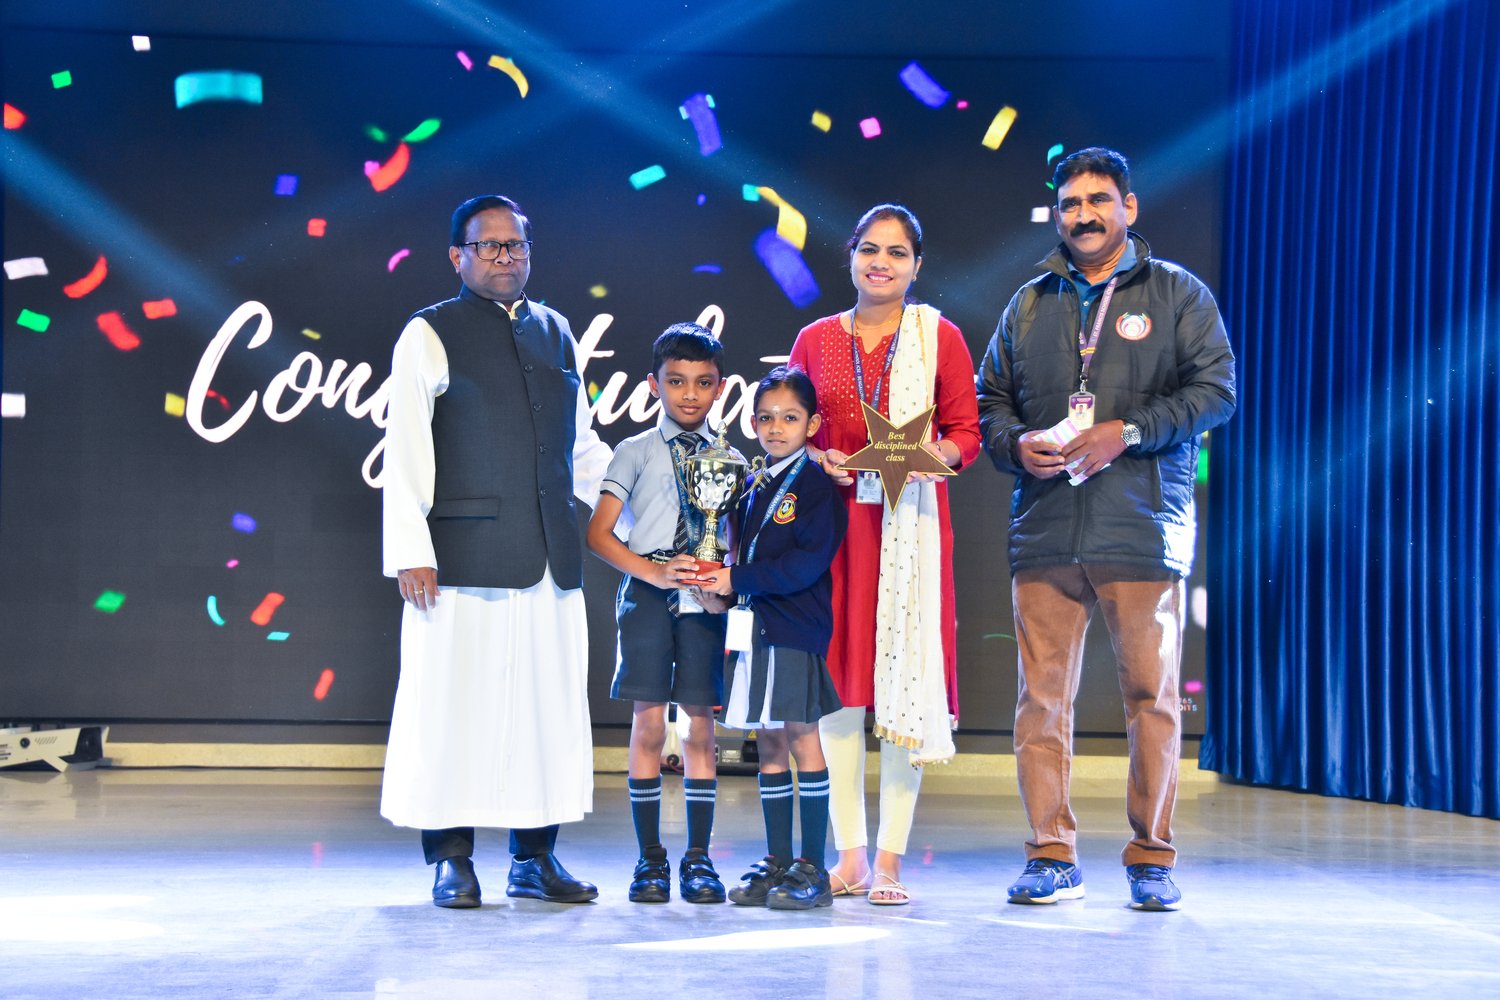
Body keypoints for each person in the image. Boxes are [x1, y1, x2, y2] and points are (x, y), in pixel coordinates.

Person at [977, 147, 1236, 911]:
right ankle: (1051, 854)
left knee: (1152, 696)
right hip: (1046, 527)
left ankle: (1152, 857)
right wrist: (1015, 444)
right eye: (1070, 204)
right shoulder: (1029, 303)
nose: (1083, 215)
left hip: (1142, 528)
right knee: (1040, 702)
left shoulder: (1177, 292)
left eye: (1098, 200)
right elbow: (991, 403)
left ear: (1129, 207)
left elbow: (1217, 391)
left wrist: (1128, 431)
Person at [381, 194, 613, 908]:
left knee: (544, 714)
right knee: (451, 711)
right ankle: (451, 860)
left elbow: (581, 447)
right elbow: (405, 448)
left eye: (516, 245)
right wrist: (410, 550)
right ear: (458, 256)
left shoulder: (557, 331)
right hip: (459, 560)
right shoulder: (428, 332)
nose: (505, 256)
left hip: (548, 558)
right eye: (489, 245)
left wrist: (643, 511)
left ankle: (534, 859)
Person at [788, 205, 982, 905]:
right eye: (870, 249)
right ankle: (851, 858)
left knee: (904, 688)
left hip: (910, 532)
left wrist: (929, 456)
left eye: (897, 253)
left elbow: (968, 431)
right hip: (833, 536)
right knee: (839, 694)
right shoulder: (814, 339)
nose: (881, 263)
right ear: (850, 256)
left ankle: (892, 860)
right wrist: (817, 455)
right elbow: (790, 427)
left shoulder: (939, 337)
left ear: (917, 265)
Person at [584, 324, 730, 905]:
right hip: (647, 597)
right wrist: (653, 572)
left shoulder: (731, 460)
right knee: (648, 725)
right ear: (654, 385)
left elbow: (736, 542)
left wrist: (722, 588)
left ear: (720, 387)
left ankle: (698, 858)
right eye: (676, 382)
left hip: (704, 603)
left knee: (700, 728)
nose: (689, 394)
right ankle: (649, 858)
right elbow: (599, 534)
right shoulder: (635, 451)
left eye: (702, 382)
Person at [697, 366, 849, 910]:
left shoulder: (816, 487)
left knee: (803, 737)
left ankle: (814, 869)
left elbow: (805, 566)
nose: (776, 427)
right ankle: (779, 859)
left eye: (789, 417)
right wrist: (720, 591)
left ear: (813, 424)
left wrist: (734, 579)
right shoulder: (752, 482)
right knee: (768, 742)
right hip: (755, 626)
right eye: (765, 418)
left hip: (795, 627)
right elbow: (744, 552)